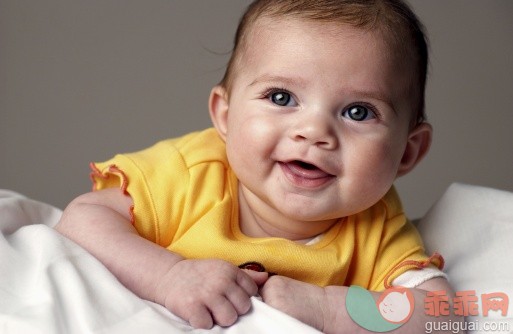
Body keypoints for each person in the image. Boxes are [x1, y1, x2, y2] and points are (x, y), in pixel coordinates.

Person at [56, 0, 461, 332]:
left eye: (358, 111)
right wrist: (168, 276)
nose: (313, 130)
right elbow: (82, 219)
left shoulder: (376, 226)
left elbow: (443, 316)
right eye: (282, 97)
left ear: (407, 152)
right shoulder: (190, 173)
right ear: (225, 117)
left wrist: (329, 310)